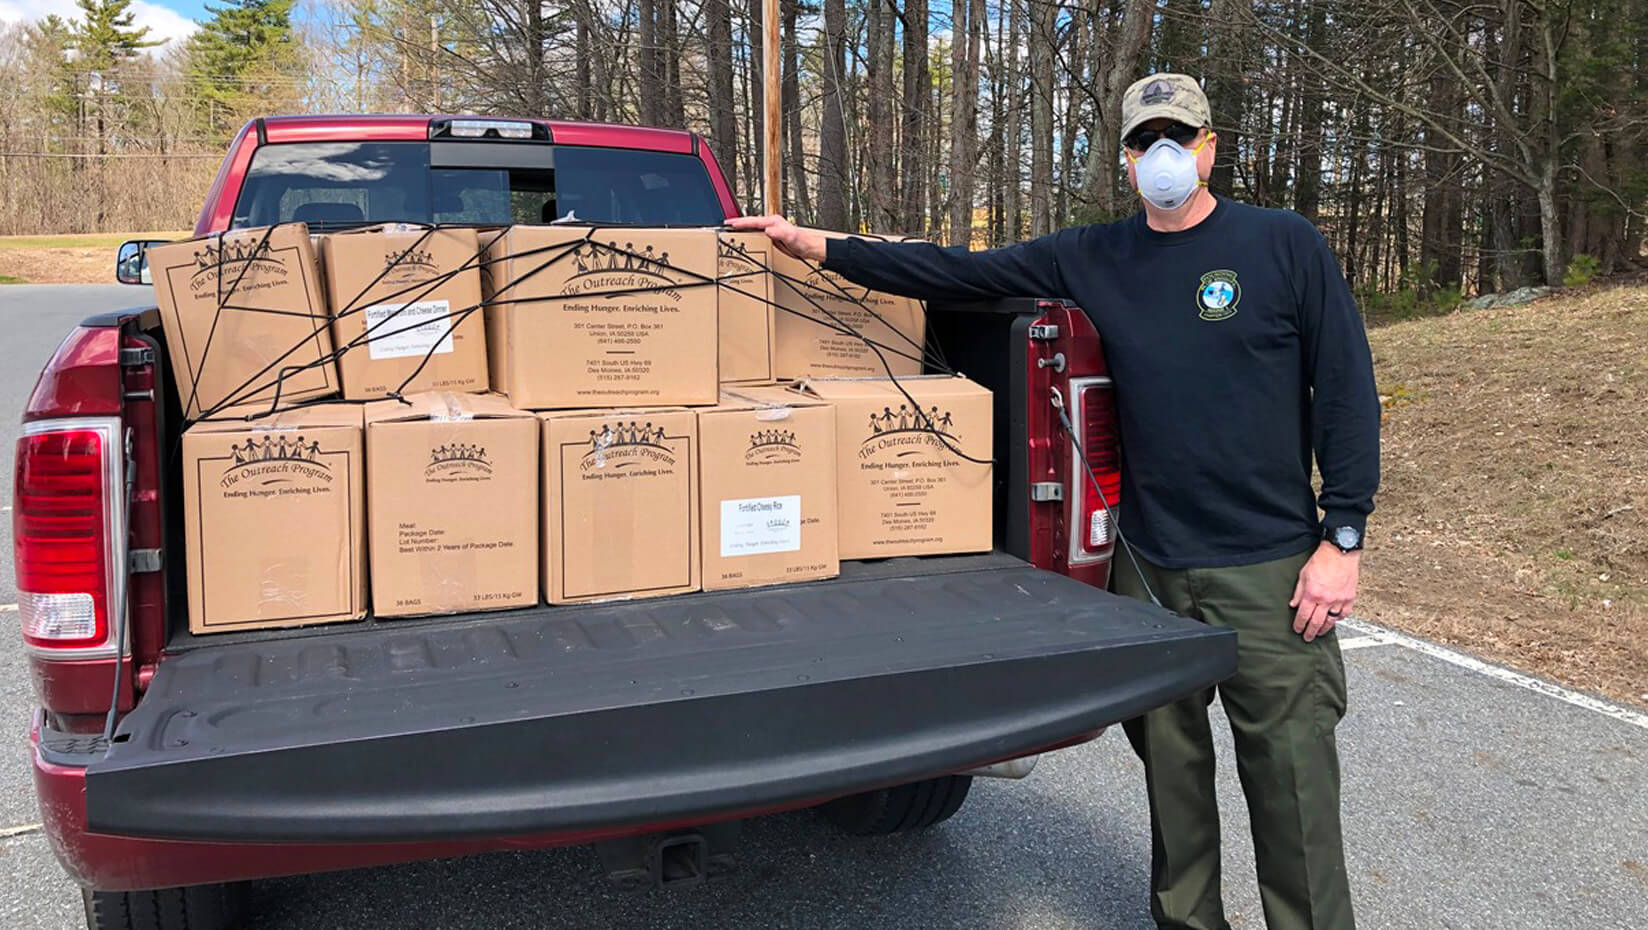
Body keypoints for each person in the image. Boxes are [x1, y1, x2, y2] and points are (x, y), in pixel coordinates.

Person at [731, 72, 1377, 930]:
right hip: (1147, 570)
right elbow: (955, 273)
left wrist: (1343, 536)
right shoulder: (1092, 255)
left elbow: (1345, 392)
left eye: (1179, 138)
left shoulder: (1283, 245)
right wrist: (818, 245)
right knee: (1173, 784)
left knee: (1292, 788)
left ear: (1211, 147)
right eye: (1147, 142)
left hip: (1270, 569)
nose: (1163, 156)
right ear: (1126, 157)